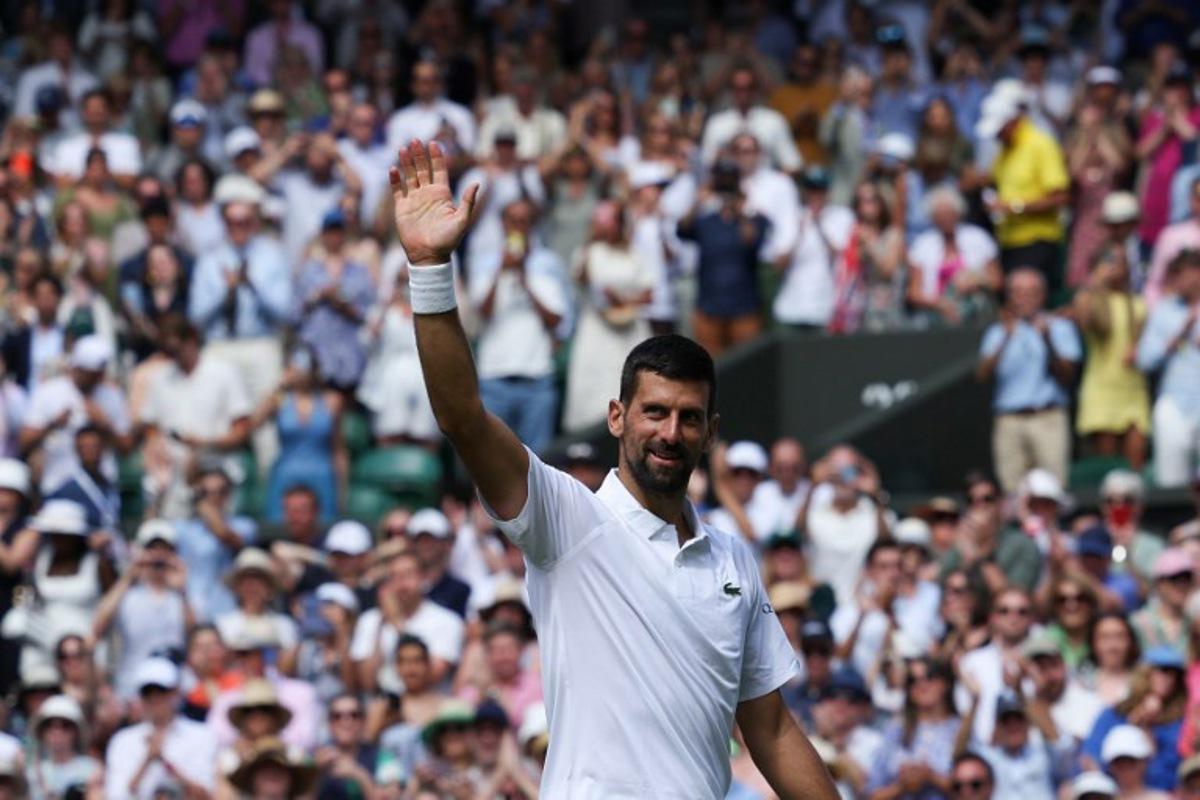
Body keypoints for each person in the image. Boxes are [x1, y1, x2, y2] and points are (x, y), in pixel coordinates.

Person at [389, 139, 837, 797]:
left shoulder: (733, 560)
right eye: (654, 412)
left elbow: (769, 730)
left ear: (710, 434)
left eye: (688, 418)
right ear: (616, 417)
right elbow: (462, 418)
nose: (670, 432)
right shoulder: (569, 522)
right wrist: (430, 269)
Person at [469, 199, 568, 453]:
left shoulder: (547, 265)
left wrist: (525, 277)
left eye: (523, 221)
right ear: (503, 224)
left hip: (536, 378)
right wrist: (501, 272)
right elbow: (482, 313)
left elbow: (557, 321)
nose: (518, 227)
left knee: (539, 462)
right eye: (513, 221)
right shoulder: (485, 264)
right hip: (494, 377)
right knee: (490, 459)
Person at [976, 269, 1082, 491]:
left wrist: (1047, 339)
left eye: (1031, 293)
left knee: (1053, 489)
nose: (1024, 299)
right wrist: (1005, 337)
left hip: (1047, 417)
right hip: (1009, 420)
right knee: (1012, 491)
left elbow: (1067, 375)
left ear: (1042, 295)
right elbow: (982, 374)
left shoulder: (1059, 327)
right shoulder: (998, 332)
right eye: (1017, 293)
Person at [562, 201, 656, 432]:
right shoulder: (588, 252)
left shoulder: (636, 254)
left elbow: (648, 294)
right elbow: (580, 277)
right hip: (596, 332)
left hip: (630, 330)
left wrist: (622, 301)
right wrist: (589, 243)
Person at [976, 88, 1070, 289]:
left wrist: (1014, 207)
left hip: (1037, 241)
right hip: (1009, 240)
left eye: (999, 130)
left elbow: (1060, 197)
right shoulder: (1004, 150)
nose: (996, 136)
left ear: (1012, 122)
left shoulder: (1040, 144)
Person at [89, 519, 191, 700]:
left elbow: (194, 636)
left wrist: (183, 591)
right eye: (152, 549)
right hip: (131, 691)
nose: (158, 556)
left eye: (165, 549)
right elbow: (98, 625)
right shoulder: (127, 596)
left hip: (175, 689)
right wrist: (128, 576)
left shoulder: (182, 597)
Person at [1073, 246, 1150, 469]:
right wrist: (1097, 282)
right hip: (1102, 388)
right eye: (1109, 260)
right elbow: (1087, 322)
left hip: (1133, 388)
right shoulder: (1088, 298)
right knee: (1109, 466)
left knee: (1136, 460)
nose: (1115, 265)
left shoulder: (1138, 303)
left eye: (1120, 261)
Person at [104, 657, 218, 799]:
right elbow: (117, 796)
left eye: (161, 692)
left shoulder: (202, 735)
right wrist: (148, 760)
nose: (155, 699)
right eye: (148, 693)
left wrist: (165, 762)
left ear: (176, 693)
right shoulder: (123, 740)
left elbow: (205, 794)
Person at [1136, 249, 1200, 487]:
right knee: (1172, 481)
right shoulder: (1165, 310)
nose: (1174, 283)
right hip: (1173, 399)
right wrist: (1179, 335)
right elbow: (1145, 360)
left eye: (1179, 275)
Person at [25, 693, 99, 800]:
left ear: (76, 731)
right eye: (49, 725)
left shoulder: (92, 770)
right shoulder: (31, 774)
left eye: (65, 725)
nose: (57, 731)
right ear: (41, 731)